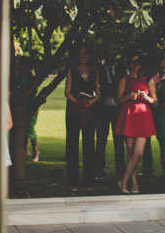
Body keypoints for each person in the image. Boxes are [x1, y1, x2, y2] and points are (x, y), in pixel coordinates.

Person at [115, 54, 157, 194]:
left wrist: (147, 97)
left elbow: (154, 100)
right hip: (130, 114)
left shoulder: (148, 80)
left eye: (136, 62)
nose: (134, 65)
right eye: (132, 62)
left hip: (143, 115)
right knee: (130, 150)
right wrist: (128, 97)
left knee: (138, 153)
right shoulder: (125, 79)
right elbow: (118, 99)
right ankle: (133, 183)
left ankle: (124, 180)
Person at [64, 46, 101, 190]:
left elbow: (98, 93)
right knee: (72, 144)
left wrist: (88, 103)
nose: (82, 56)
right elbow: (67, 92)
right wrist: (78, 103)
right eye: (80, 53)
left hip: (89, 111)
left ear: (89, 55)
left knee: (89, 144)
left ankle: (89, 181)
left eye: (85, 53)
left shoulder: (95, 71)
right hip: (73, 110)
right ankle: (73, 181)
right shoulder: (72, 70)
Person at [94, 48, 124, 180]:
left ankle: (121, 170)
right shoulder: (98, 70)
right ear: (104, 56)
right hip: (102, 110)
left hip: (117, 110)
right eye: (109, 54)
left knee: (119, 141)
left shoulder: (121, 70)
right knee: (101, 140)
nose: (112, 57)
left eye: (114, 54)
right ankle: (99, 170)